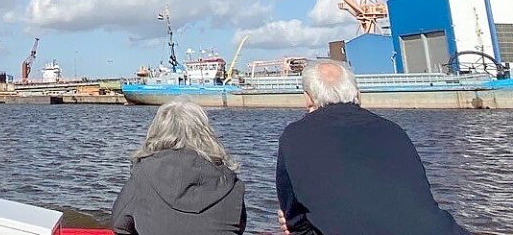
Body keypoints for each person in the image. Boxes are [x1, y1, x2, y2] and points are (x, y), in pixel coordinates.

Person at [276, 59, 470, 235]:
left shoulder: (294, 136)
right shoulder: (393, 130)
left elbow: (294, 219)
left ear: (307, 98)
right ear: (358, 95)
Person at [112, 100, 246, 235]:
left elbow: (119, 224)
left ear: (157, 132)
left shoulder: (142, 174)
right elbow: (238, 227)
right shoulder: (232, 184)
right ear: (206, 134)